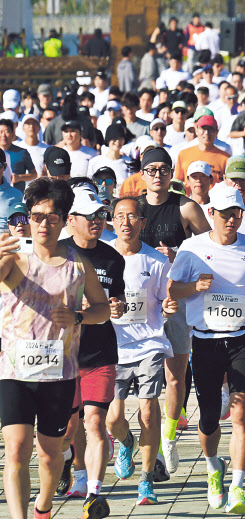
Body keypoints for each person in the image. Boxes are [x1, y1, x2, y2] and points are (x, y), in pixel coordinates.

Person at [0, 178, 110, 519]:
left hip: (58, 374)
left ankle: (43, 508)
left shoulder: (79, 264)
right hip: (13, 371)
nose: (43, 224)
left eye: (51, 217)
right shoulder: (14, 259)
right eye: (36, 216)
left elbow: (102, 310)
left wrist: (77, 316)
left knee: (49, 455)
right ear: (27, 218)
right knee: (16, 449)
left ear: (64, 220)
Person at [167, 185, 245, 514]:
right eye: (225, 214)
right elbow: (172, 289)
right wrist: (193, 286)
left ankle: (238, 488)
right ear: (211, 213)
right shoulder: (192, 248)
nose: (231, 219)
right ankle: (214, 468)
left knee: (240, 412)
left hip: (242, 338)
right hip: (205, 339)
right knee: (209, 418)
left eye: (237, 213)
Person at [134, 147, 210, 477]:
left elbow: (211, 247)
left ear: (171, 172)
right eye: (151, 169)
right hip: (139, 302)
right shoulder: (132, 208)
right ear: (142, 174)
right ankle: (133, 440)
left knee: (174, 376)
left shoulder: (185, 206)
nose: (158, 174)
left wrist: (176, 252)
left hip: (175, 299)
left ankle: (167, 439)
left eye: (163, 168)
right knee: (136, 379)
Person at [58, 184, 127, 516]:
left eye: (100, 215)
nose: (96, 221)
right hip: (61, 356)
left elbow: (119, 298)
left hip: (100, 353)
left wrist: (117, 306)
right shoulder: (55, 253)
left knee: (95, 422)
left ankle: (95, 494)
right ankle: (77, 469)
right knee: (68, 429)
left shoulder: (112, 257)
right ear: (71, 220)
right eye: (89, 217)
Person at [106, 196, 176, 506]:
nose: (125, 222)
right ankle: (126, 442)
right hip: (112, 346)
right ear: (112, 221)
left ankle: (146, 481)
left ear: (142, 222)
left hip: (149, 343)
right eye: (119, 216)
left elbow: (165, 300)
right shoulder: (103, 257)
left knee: (148, 410)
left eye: (132, 216)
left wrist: (169, 307)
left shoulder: (157, 261)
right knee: (112, 418)